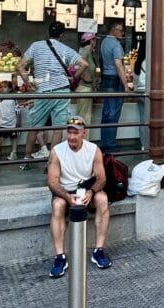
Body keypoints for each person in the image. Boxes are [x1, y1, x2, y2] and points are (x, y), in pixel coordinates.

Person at [46, 116, 111, 278]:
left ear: (84, 133)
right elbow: (52, 183)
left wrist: (91, 192)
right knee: (57, 206)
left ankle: (99, 250)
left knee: (102, 199)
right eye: (69, 132)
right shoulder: (57, 151)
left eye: (76, 133)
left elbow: (102, 178)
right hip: (64, 191)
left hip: (86, 190)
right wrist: (68, 197)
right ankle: (59, 256)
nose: (71, 137)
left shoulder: (93, 149)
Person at [21, 22, 87, 161]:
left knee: (35, 127)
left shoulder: (36, 46)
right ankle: (52, 160)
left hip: (43, 91)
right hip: (62, 91)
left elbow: (20, 66)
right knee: (58, 128)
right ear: (62, 35)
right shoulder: (65, 49)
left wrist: (28, 83)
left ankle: (26, 158)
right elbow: (84, 64)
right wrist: (74, 77)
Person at [98, 22, 126, 154]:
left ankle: (104, 141)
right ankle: (111, 144)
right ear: (114, 30)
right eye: (120, 31)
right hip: (114, 79)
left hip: (106, 78)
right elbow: (118, 64)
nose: (122, 33)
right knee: (114, 112)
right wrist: (125, 83)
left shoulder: (103, 43)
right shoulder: (115, 44)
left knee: (107, 112)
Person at [0, 78, 20, 163]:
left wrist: (18, 121)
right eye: (1, 87)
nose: (2, 89)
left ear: (10, 89)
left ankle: (14, 153)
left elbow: (18, 111)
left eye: (5, 87)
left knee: (14, 138)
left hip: (12, 123)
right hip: (2, 123)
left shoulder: (14, 99)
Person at [73, 32, 99, 125]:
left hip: (86, 88)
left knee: (83, 116)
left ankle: (82, 138)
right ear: (92, 40)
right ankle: (82, 138)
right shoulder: (86, 50)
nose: (96, 42)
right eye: (95, 39)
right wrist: (85, 77)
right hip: (84, 87)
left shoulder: (88, 51)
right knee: (84, 117)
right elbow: (78, 66)